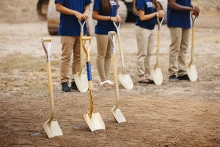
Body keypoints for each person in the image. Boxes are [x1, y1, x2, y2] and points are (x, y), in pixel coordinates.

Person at [55, 0, 92, 92]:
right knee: (66, 56)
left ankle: (75, 81)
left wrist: (86, 12)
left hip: (81, 28)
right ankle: (64, 81)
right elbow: (58, 7)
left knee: (79, 57)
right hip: (67, 29)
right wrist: (75, 13)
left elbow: (87, 4)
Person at [167, 0, 200, 82]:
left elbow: (187, 2)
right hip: (175, 20)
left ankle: (181, 72)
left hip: (185, 21)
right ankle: (172, 73)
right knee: (175, 47)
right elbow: (172, 4)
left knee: (184, 47)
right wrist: (189, 8)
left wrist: (193, 8)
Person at [133, 0, 165, 84]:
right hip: (142, 29)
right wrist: (155, 13)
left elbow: (156, 16)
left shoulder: (153, 1)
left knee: (149, 53)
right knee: (142, 53)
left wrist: (160, 13)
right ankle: (141, 76)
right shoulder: (141, 1)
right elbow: (142, 17)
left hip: (151, 29)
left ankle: (147, 75)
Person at [92, 0, 122, 87]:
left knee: (109, 55)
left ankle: (107, 78)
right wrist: (110, 18)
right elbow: (94, 15)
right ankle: (103, 80)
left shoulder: (114, 0)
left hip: (113, 29)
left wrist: (117, 17)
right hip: (102, 30)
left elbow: (115, 13)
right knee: (101, 55)